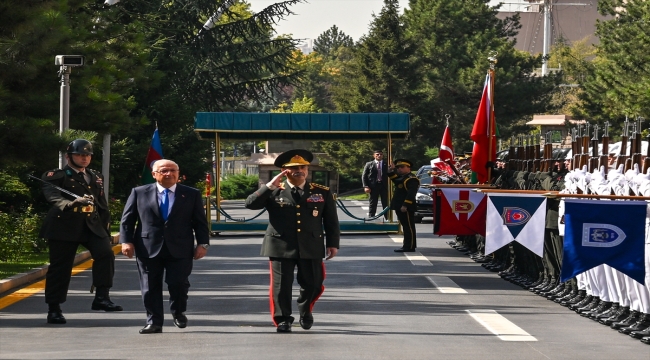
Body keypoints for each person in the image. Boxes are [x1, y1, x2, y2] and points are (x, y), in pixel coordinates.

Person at [245, 149, 340, 333]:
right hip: (280, 245)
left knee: (313, 284)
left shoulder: (322, 192)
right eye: (294, 167)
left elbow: (331, 220)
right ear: (284, 170)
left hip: (311, 245)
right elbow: (250, 204)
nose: (300, 170)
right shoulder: (273, 191)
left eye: (303, 167)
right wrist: (269, 186)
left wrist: (333, 243)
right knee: (281, 287)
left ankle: (305, 311)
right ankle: (283, 319)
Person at [120, 159, 210, 334]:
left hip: (181, 247)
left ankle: (178, 311)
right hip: (148, 247)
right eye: (164, 171)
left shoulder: (191, 194)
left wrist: (202, 244)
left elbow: (200, 222)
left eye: (172, 170)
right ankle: (153, 321)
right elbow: (127, 221)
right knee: (149, 286)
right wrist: (126, 241)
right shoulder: (139, 193)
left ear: (178, 173)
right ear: (154, 174)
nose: (169, 173)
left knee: (178, 283)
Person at [39, 139, 122, 325]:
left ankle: (101, 297)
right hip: (64, 226)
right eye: (80, 155)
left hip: (91, 225)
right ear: (69, 157)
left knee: (106, 254)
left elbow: (102, 205)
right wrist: (71, 204)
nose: (84, 158)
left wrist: (106, 228)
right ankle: (54, 309)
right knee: (61, 268)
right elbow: (53, 197)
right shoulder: (56, 175)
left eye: (87, 155)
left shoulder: (95, 176)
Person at [388, 159, 419, 252]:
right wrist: (391, 171)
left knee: (408, 227)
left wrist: (405, 205)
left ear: (408, 168)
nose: (399, 169)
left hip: (406, 207)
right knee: (405, 226)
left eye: (402, 167)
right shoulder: (403, 177)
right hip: (400, 206)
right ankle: (407, 245)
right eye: (398, 168)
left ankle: (410, 246)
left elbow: (411, 194)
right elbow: (396, 180)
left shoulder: (411, 179)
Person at [361, 150, 388, 219]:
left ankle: (387, 218)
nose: (379, 155)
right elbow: (364, 176)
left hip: (384, 186)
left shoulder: (386, 164)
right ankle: (371, 217)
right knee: (373, 202)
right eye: (377, 154)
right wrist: (366, 186)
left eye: (381, 154)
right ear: (374, 155)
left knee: (386, 203)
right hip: (373, 186)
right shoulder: (369, 164)